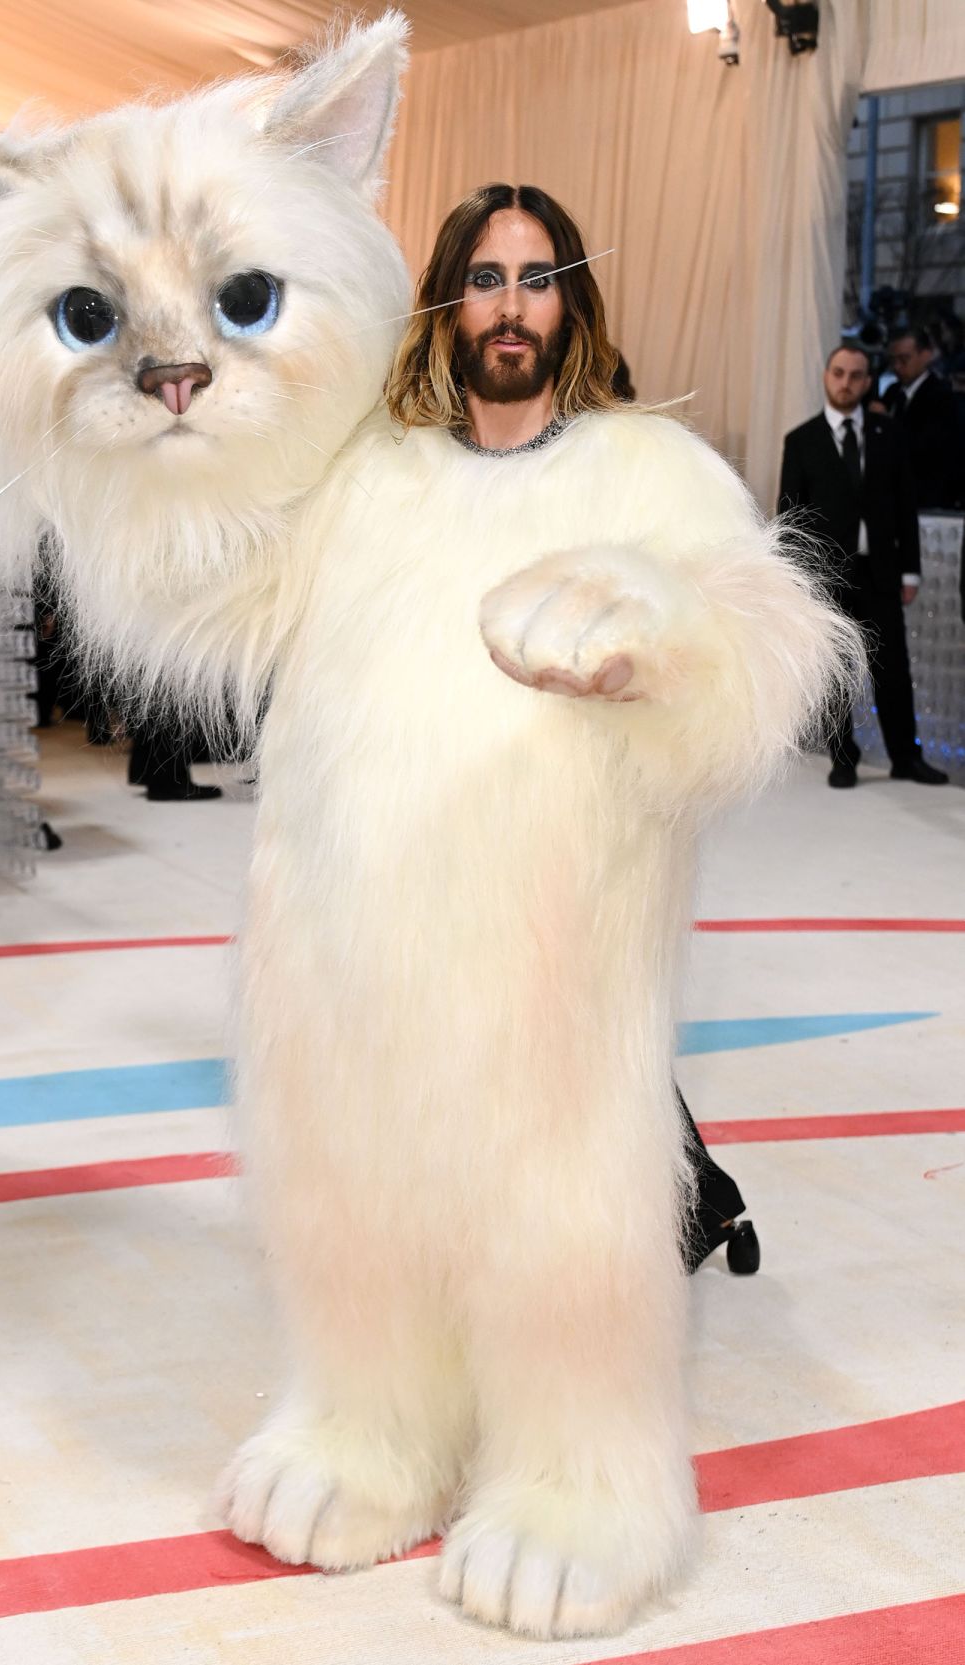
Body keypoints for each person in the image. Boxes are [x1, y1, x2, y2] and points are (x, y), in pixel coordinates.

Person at [388, 183, 757, 1274]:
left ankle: (677, 1214)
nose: (511, 306)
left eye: (536, 280)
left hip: (580, 845)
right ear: (449, 304)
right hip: (436, 839)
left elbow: (727, 633)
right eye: (487, 280)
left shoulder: (637, 471)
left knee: (584, 1068)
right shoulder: (396, 473)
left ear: (571, 302)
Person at [779, 344, 947, 788]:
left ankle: (906, 757)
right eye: (839, 373)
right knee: (835, 674)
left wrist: (910, 569)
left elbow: (905, 508)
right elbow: (790, 515)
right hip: (827, 579)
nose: (846, 383)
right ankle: (843, 758)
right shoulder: (801, 441)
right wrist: (793, 581)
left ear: (868, 382)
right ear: (826, 376)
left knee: (892, 668)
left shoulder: (888, 435)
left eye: (856, 375)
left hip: (880, 573)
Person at [883, 326, 962, 511]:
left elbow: (928, 447)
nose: (897, 367)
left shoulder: (942, 397)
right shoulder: (892, 393)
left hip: (927, 496)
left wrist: (886, 425)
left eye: (904, 359)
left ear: (925, 355)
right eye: (892, 361)